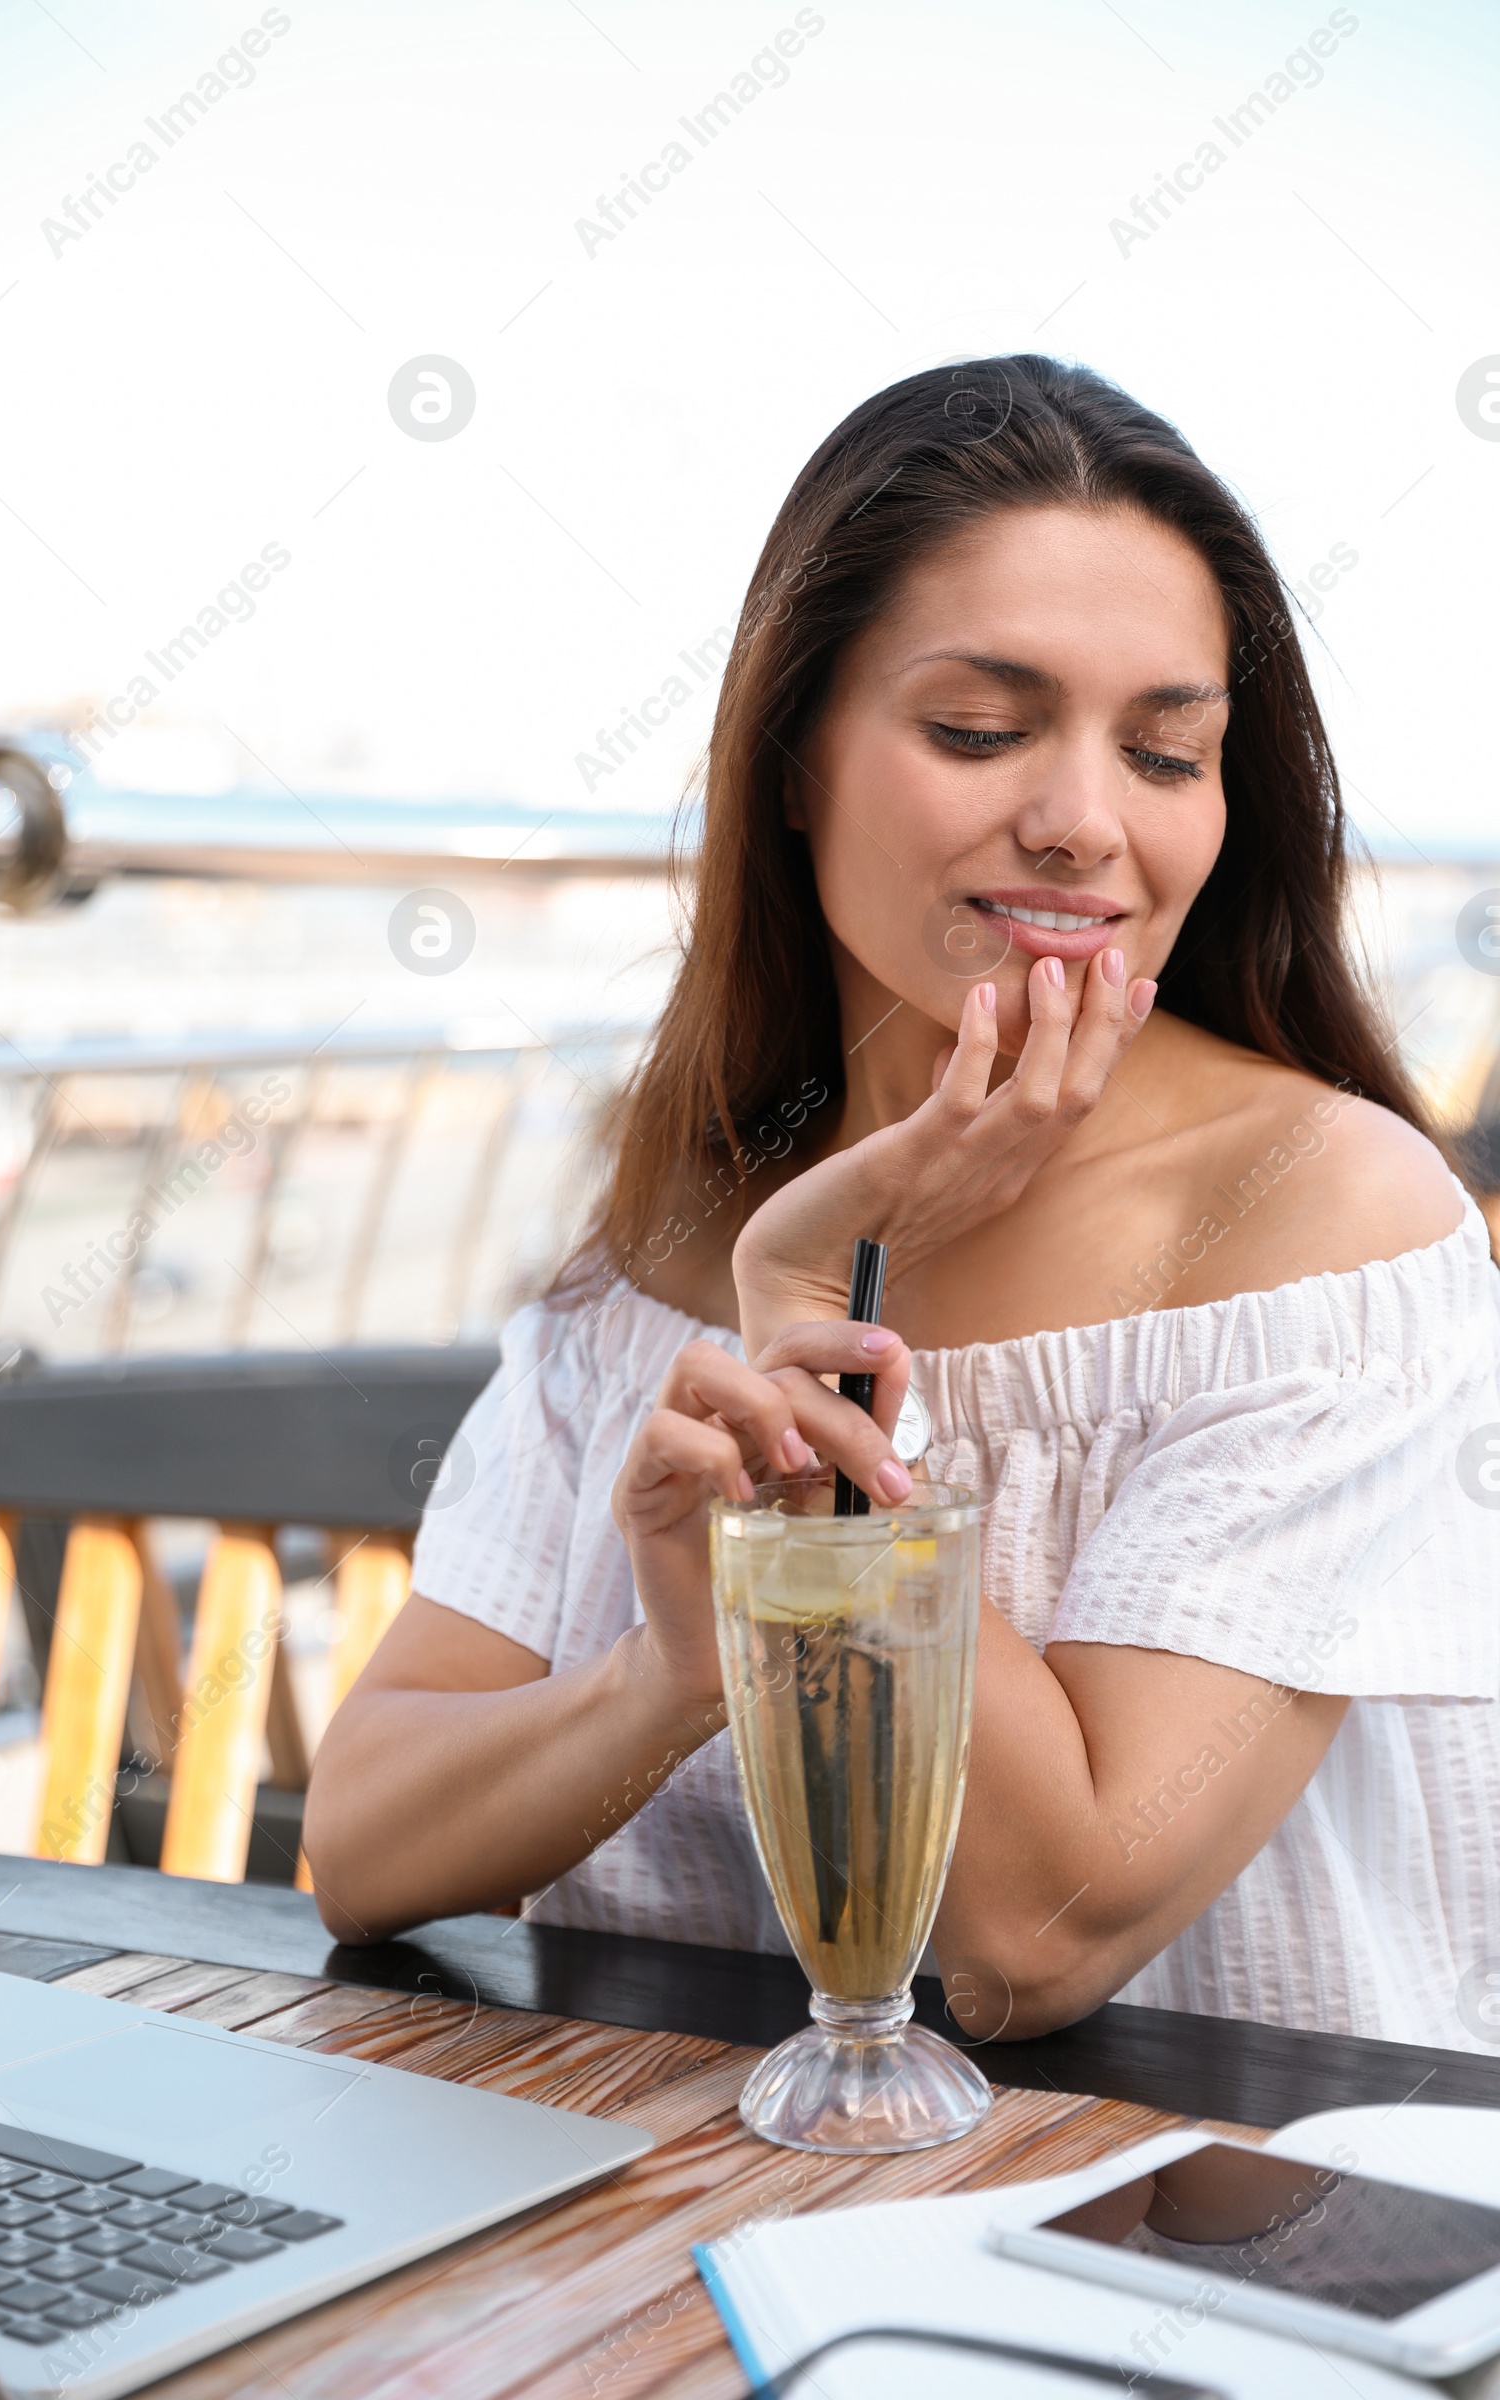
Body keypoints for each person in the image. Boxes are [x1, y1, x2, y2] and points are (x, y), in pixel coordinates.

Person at [305, 356, 1500, 2052]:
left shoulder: (1327, 1224)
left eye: (1168, 752)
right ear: (792, 759)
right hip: (670, 2222)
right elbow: (361, 1843)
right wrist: (674, 1670)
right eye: (981, 732)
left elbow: (1034, 1934)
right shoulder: (674, 1215)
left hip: (1189, 2244)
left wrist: (804, 1325)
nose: (1087, 823)